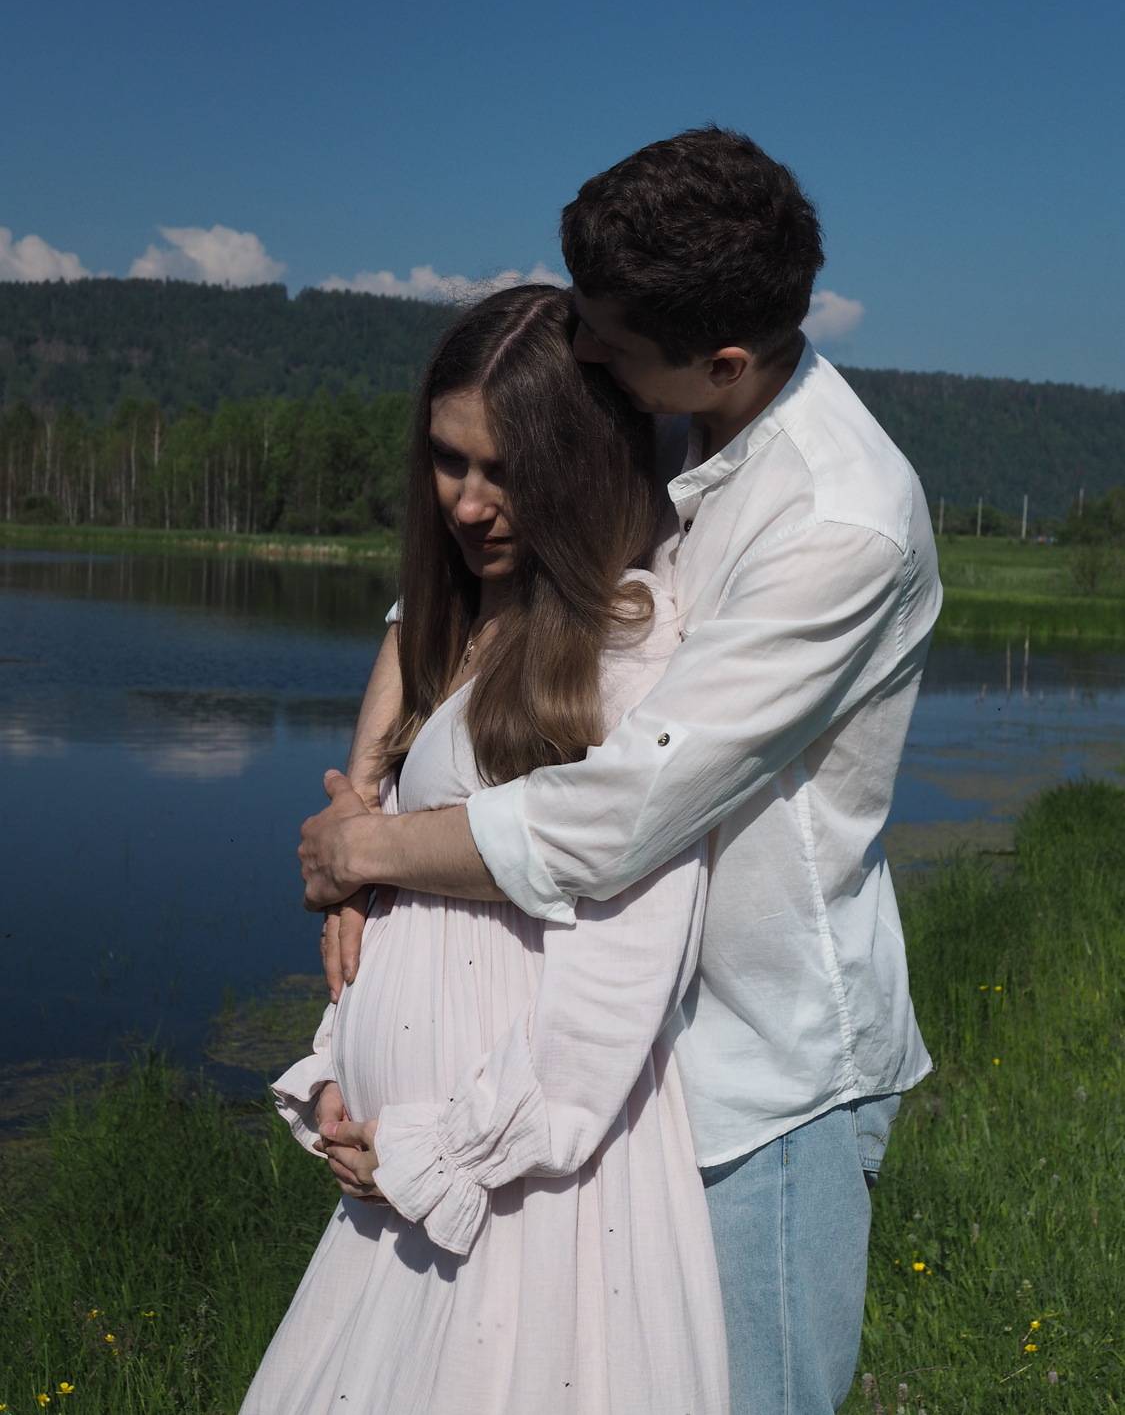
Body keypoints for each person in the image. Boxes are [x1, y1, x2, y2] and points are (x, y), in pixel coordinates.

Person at [300, 127, 943, 1414]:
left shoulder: (837, 521)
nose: (582, 352)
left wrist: (366, 850)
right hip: (608, 1078)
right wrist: (369, 775)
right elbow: (467, 588)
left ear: (722, 360)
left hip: (755, 1075)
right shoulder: (674, 413)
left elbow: (622, 809)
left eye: (605, 338)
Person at [243, 285, 728, 1414]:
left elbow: (620, 971)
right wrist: (340, 1063)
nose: (467, 502)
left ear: (584, 467)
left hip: (530, 1195)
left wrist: (450, 1149)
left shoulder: (627, 650)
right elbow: (406, 914)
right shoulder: (469, 621)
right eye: (448, 461)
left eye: (505, 470)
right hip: (403, 1182)